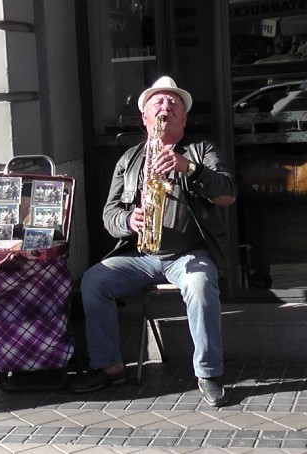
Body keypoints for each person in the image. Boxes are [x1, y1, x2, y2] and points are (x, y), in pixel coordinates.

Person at [71, 76, 237, 407]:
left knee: (201, 285)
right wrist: (128, 221)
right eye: (158, 104)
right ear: (145, 118)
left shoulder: (201, 151)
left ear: (184, 119)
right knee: (93, 281)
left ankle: (207, 373)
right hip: (140, 254)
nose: (166, 108)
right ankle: (109, 366)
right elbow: (109, 215)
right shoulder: (130, 160)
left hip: (188, 254)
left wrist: (189, 168)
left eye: (174, 105)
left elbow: (227, 194)